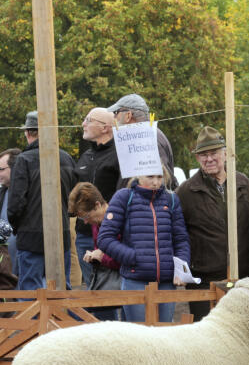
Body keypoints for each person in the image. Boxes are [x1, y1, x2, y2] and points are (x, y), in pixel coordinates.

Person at [176, 126, 249, 321]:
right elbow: (177, 233)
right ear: (197, 158)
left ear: (225, 154)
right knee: (206, 337)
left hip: (242, 275)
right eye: (203, 155)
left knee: (242, 332)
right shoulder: (187, 191)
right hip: (204, 279)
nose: (209, 159)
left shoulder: (242, 183)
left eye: (213, 153)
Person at [97, 172, 191, 323]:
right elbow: (105, 238)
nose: (155, 182)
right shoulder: (124, 197)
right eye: (150, 177)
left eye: (159, 177)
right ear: (138, 176)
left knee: (164, 332)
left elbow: (180, 239)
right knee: (138, 336)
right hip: (136, 280)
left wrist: (182, 268)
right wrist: (133, 257)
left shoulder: (171, 199)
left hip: (166, 282)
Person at [8, 111, 76, 290]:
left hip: (30, 235)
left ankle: (35, 319)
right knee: (61, 289)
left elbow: (16, 203)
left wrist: (18, 227)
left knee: (31, 290)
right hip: (62, 233)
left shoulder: (23, 160)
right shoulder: (66, 158)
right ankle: (60, 319)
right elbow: (75, 197)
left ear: (28, 133)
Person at [75, 108, 120, 287]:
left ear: (105, 127)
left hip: (112, 234)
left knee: (116, 291)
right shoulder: (85, 156)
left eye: (89, 120)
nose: (83, 124)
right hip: (84, 233)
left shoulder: (120, 155)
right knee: (92, 289)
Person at [68, 182, 121, 321]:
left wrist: (101, 257)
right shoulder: (97, 223)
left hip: (124, 283)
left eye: (86, 216)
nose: (85, 222)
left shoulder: (117, 220)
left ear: (98, 205)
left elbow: (122, 258)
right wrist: (95, 256)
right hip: (109, 281)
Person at [109, 94, 175, 182]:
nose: (114, 117)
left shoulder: (149, 138)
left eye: (116, 112)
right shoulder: (144, 135)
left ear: (128, 115)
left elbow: (163, 180)